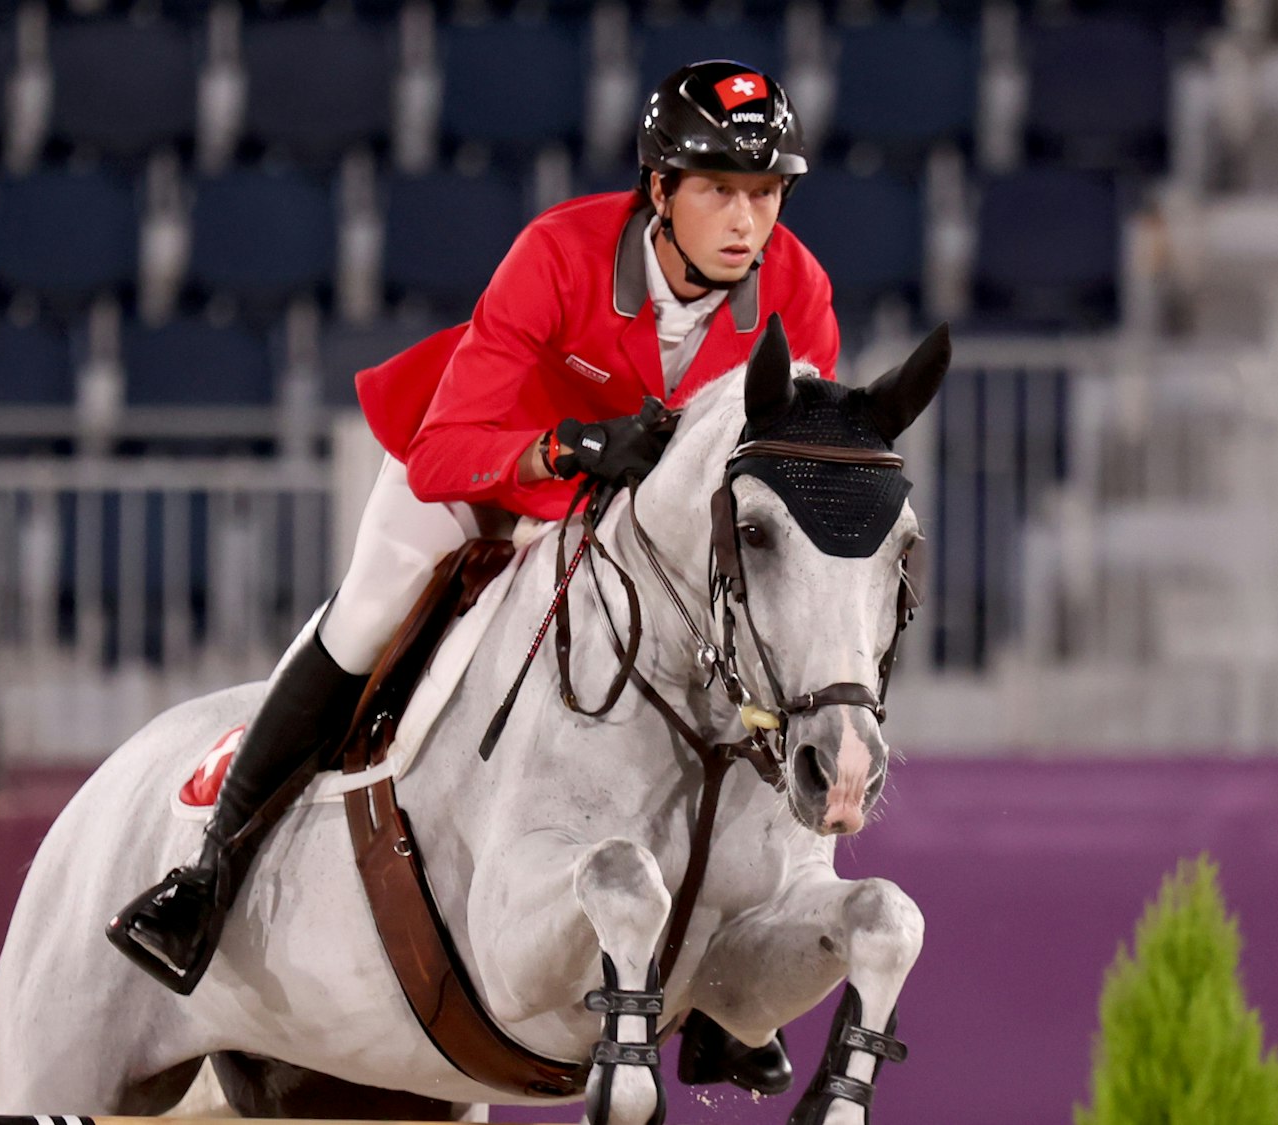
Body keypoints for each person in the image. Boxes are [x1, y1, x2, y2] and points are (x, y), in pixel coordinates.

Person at [105, 58, 839, 1091]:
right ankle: (206, 876)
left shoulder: (796, 291)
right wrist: (564, 451)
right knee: (365, 617)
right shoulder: (561, 252)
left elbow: (781, 474)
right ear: (658, 188)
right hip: (489, 474)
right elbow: (448, 448)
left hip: (629, 533)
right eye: (717, 189)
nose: (743, 221)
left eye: (762, 194)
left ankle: (729, 986)